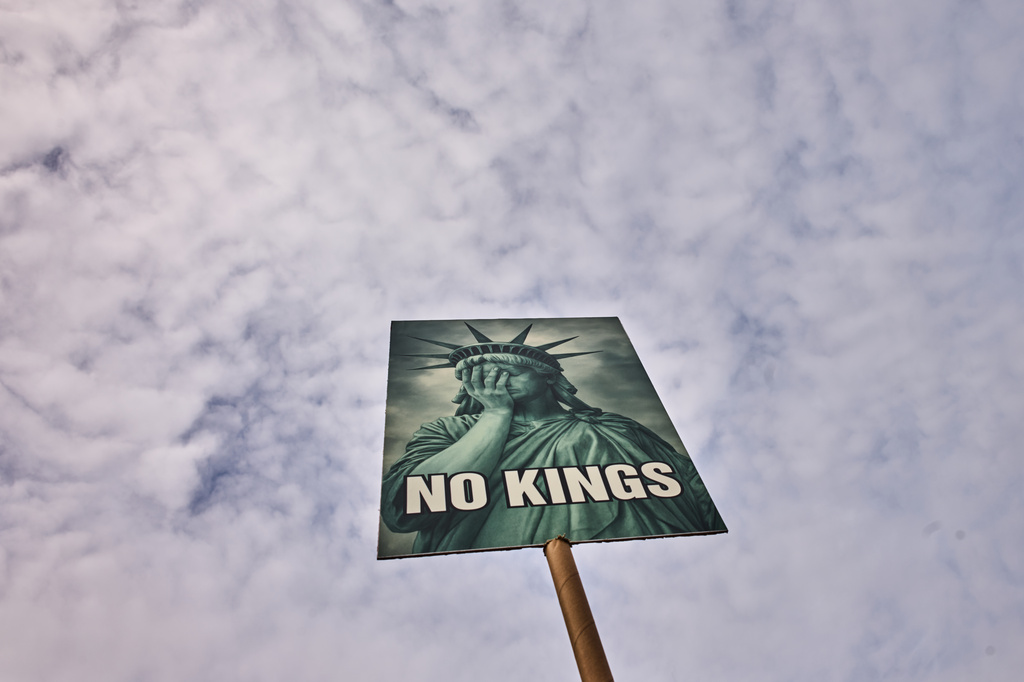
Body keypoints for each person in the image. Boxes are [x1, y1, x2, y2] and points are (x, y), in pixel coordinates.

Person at [380, 325, 726, 555]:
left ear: (547, 377)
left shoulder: (617, 428)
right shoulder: (446, 432)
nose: (493, 379)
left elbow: (690, 490)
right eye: (480, 375)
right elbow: (404, 510)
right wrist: (496, 415)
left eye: (507, 371)